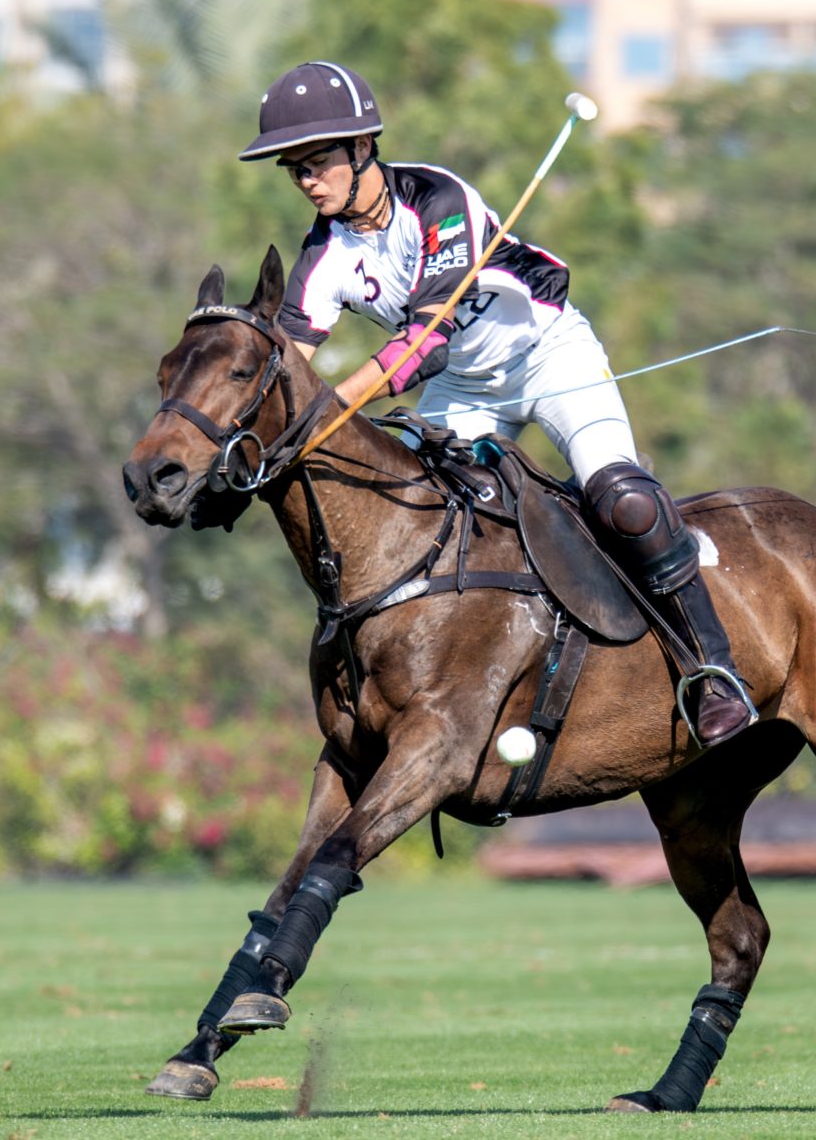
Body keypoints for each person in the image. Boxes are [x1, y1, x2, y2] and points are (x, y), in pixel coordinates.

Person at [239, 60, 753, 747]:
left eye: (318, 160)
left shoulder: (437, 199)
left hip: (548, 356)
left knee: (622, 496)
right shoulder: (322, 256)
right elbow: (285, 371)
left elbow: (421, 343)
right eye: (293, 167)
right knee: (415, 509)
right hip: (465, 391)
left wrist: (328, 419)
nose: (307, 178)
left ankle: (711, 673)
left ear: (364, 147)